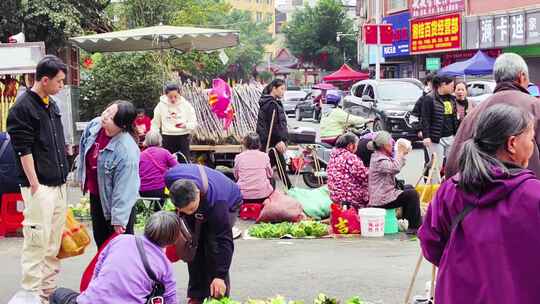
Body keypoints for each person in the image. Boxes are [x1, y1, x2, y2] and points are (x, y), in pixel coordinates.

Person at [418, 104, 540, 303]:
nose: (533, 146)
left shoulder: (450, 190)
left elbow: (431, 244)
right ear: (512, 143)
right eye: (531, 138)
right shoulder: (534, 195)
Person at [6, 55, 68, 302]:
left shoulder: (51, 104)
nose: (62, 86)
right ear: (44, 80)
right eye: (60, 81)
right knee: (36, 244)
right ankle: (32, 295)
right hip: (39, 186)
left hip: (59, 184)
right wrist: (34, 185)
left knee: (53, 246)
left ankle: (47, 293)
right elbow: (24, 149)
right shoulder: (22, 108)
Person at [49, 211, 181, 304]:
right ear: (172, 239)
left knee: (56, 294)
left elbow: (98, 268)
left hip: (92, 301)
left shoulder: (120, 240)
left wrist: (92, 293)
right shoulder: (165, 266)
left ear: (147, 226)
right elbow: (170, 298)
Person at [446, 53, 540, 178]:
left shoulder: (475, 113)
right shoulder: (536, 107)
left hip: (480, 192)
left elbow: (452, 166)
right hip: (530, 193)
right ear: (521, 76)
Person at [164, 164, 243, 304]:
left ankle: (219, 295)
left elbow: (224, 242)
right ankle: (197, 293)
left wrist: (220, 275)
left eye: (192, 209)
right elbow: (187, 209)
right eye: (184, 210)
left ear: (198, 193)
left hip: (230, 201)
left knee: (213, 245)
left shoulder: (219, 203)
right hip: (203, 199)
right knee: (194, 244)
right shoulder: (170, 178)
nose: (190, 213)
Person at [78, 100, 140, 248]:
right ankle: (104, 271)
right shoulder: (95, 126)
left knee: (119, 248)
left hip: (117, 203)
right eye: (107, 111)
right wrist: (82, 176)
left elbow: (125, 188)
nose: (105, 116)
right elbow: (83, 148)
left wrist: (119, 219)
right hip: (97, 195)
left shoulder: (126, 151)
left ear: (122, 125)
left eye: (111, 117)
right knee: (101, 242)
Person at [368, 131, 421, 233]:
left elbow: (395, 164)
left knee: (409, 188)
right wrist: (400, 153)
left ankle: (406, 221)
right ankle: (414, 227)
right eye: (390, 143)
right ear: (385, 146)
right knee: (412, 194)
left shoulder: (379, 156)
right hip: (381, 200)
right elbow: (395, 168)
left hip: (385, 194)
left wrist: (402, 154)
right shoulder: (379, 160)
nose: (392, 145)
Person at [421, 74, 458, 181]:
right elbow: (425, 119)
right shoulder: (429, 99)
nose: (453, 88)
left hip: (451, 137)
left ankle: (450, 189)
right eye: (451, 85)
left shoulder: (452, 99)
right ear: (443, 85)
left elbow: (455, 118)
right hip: (436, 139)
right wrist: (426, 136)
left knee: (451, 166)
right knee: (436, 167)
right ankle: (434, 193)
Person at [256, 79, 291, 189]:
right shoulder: (271, 104)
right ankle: (291, 191)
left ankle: (287, 190)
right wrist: (278, 141)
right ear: (274, 89)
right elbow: (273, 125)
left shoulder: (269, 102)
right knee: (279, 169)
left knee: (269, 169)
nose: (283, 92)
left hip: (269, 142)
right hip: (272, 143)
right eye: (281, 89)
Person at [152, 83, 197, 161]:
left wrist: (185, 125)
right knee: (167, 162)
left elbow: (194, 123)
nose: (173, 99)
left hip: (183, 137)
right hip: (167, 137)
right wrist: (154, 138)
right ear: (165, 95)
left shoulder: (186, 105)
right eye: (170, 97)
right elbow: (155, 124)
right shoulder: (160, 106)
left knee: (183, 161)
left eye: (176, 96)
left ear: (180, 94)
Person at [327, 132, 369, 209]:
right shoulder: (350, 157)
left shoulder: (333, 156)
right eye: (356, 145)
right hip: (349, 198)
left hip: (334, 196)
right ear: (350, 145)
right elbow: (365, 176)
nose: (357, 148)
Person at [139, 130, 179, 210]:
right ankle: (159, 212)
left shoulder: (141, 154)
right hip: (160, 191)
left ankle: (154, 213)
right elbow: (178, 168)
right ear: (160, 140)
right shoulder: (165, 152)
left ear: (146, 141)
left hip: (143, 192)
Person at [233, 133, 274, 202]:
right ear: (259, 144)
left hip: (243, 196)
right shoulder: (265, 156)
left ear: (245, 144)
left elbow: (236, 176)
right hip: (262, 196)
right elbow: (270, 174)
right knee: (272, 180)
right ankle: (269, 201)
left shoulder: (239, 157)